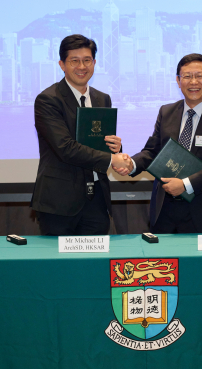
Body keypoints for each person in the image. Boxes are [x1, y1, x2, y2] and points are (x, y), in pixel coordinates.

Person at [113, 53, 202, 233]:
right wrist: (131, 164)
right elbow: (152, 151)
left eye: (200, 76)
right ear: (178, 81)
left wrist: (185, 184)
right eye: (187, 76)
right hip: (165, 209)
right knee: (163, 261)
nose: (193, 82)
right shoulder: (167, 112)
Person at [32, 34, 129, 235]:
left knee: (95, 265)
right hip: (60, 202)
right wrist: (112, 159)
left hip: (97, 201)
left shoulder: (102, 99)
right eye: (74, 61)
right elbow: (65, 148)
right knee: (59, 266)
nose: (81, 66)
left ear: (94, 63)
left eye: (87, 60)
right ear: (62, 64)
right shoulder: (48, 100)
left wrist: (116, 148)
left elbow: (100, 143)